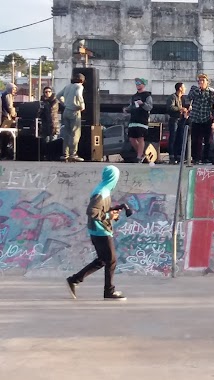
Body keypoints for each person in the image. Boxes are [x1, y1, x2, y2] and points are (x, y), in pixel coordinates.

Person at [66, 165, 126, 300]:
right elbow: (92, 211)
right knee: (111, 261)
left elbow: (100, 209)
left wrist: (112, 210)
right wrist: (110, 216)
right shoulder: (102, 192)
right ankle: (109, 292)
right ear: (113, 178)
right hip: (101, 231)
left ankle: (74, 279)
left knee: (103, 260)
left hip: (98, 229)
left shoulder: (102, 189)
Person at [188, 74, 214, 164]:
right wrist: (199, 89)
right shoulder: (194, 89)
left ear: (207, 82)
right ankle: (196, 157)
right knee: (196, 140)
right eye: (199, 81)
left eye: (203, 81)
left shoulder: (211, 92)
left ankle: (206, 158)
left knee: (207, 140)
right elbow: (189, 97)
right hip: (196, 118)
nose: (201, 82)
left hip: (206, 118)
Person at [56, 73, 86, 162]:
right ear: (82, 80)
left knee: (67, 133)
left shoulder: (67, 86)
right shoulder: (79, 86)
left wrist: (64, 103)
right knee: (75, 133)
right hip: (74, 111)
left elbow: (58, 95)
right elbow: (78, 95)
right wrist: (82, 105)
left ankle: (65, 154)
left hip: (66, 111)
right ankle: (73, 154)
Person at [123, 78, 153, 163]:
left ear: (143, 84)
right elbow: (131, 106)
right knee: (132, 138)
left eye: (139, 83)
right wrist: (126, 109)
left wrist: (142, 103)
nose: (137, 85)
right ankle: (141, 154)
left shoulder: (147, 95)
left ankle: (139, 157)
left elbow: (149, 107)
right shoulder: (133, 96)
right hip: (133, 119)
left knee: (140, 138)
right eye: (136, 83)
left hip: (142, 120)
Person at [166, 82, 189, 164]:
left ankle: (179, 156)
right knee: (173, 137)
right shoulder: (173, 97)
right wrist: (181, 109)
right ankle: (172, 156)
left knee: (180, 137)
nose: (185, 89)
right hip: (174, 119)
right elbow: (170, 107)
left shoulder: (182, 98)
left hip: (181, 119)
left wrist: (185, 112)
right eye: (184, 87)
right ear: (180, 88)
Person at [1, 83, 18, 159]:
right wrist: (15, 114)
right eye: (13, 89)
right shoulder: (8, 95)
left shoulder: (5, 94)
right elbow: (9, 107)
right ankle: (4, 153)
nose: (15, 91)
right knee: (5, 134)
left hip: (6, 117)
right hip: (6, 118)